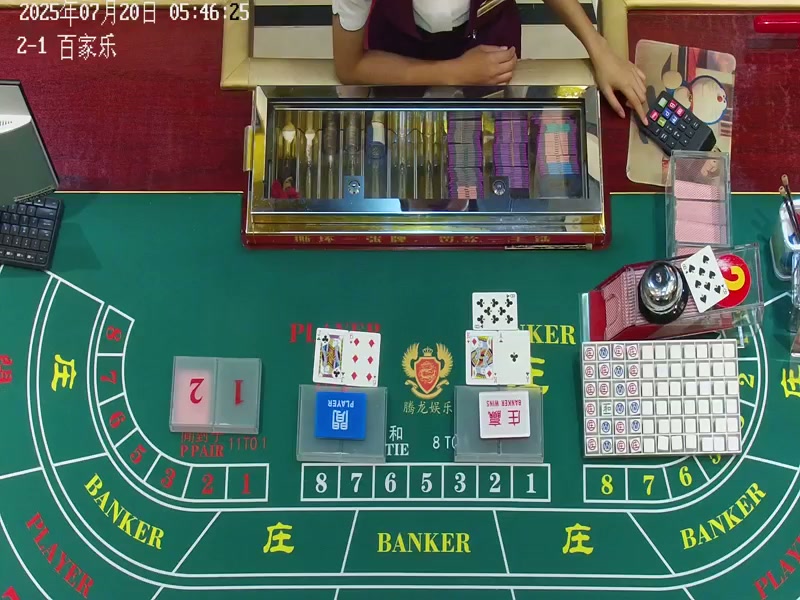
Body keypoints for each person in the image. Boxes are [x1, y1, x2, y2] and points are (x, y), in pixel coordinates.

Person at [331, 0, 648, 124]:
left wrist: (600, 49)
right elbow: (349, 67)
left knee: (497, 135)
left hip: (490, 37)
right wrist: (453, 72)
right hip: (398, 49)